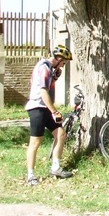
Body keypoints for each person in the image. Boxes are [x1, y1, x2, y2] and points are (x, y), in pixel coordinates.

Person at [25, 44, 74, 186]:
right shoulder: (43, 68)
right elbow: (43, 92)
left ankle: (55, 168)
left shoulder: (50, 69)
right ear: (58, 58)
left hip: (45, 107)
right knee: (35, 142)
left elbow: (49, 86)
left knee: (60, 134)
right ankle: (30, 175)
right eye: (64, 62)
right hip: (37, 108)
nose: (64, 65)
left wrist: (56, 77)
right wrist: (54, 111)